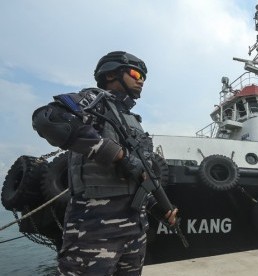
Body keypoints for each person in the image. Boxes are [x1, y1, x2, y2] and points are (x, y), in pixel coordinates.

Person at [32, 51, 177, 275]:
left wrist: (157, 208)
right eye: (136, 73)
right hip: (94, 233)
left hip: (134, 233)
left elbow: (135, 177)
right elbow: (48, 118)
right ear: (111, 74)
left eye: (144, 77)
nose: (141, 80)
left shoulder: (132, 120)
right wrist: (118, 155)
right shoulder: (95, 103)